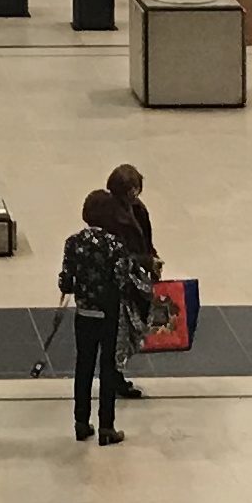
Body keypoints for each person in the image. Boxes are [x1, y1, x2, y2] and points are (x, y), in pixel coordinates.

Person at [58, 190, 153, 446]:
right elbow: (122, 281)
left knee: (83, 366)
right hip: (109, 315)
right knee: (108, 368)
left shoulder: (73, 242)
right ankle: (106, 427)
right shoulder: (115, 245)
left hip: (83, 314)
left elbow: (65, 282)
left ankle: (80, 423)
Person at [103, 163, 158, 405]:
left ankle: (116, 374)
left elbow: (145, 240)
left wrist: (152, 258)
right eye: (129, 190)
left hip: (135, 275)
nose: (134, 195)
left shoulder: (138, 210)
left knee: (126, 332)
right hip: (118, 281)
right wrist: (146, 260)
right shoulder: (109, 216)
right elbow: (119, 253)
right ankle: (113, 377)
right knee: (117, 332)